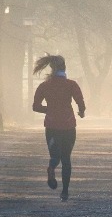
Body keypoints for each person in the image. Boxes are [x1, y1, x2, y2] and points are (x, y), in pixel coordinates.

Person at [31, 54, 85, 202]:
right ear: (65, 68)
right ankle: (65, 192)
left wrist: (49, 110)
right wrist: (81, 111)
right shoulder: (71, 84)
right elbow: (80, 102)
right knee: (66, 158)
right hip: (68, 125)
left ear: (51, 68)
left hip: (52, 126)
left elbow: (35, 106)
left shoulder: (44, 86)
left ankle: (51, 168)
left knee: (55, 156)